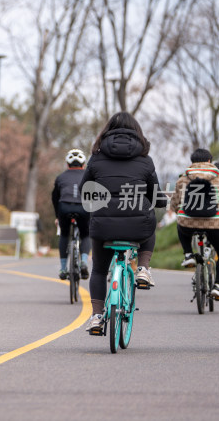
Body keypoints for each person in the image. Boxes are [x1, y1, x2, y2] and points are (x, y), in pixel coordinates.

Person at [80, 112, 166, 333]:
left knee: (99, 270)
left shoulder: (96, 157)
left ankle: (97, 316)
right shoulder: (145, 160)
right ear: (137, 134)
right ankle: (144, 268)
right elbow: (155, 196)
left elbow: (84, 189)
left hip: (103, 225)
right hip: (137, 225)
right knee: (149, 224)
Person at [169, 149, 219, 301]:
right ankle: (218, 286)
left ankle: (188, 254)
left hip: (188, 222)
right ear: (209, 161)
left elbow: (175, 202)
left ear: (192, 162)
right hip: (214, 223)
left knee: (181, 225)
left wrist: (176, 210)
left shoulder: (183, 177)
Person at [51, 149, 91, 280]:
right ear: (83, 164)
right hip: (83, 207)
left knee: (64, 234)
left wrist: (57, 216)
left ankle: (63, 268)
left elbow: (55, 198)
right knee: (86, 234)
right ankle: (84, 261)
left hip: (64, 207)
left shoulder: (61, 177)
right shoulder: (89, 176)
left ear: (67, 164)